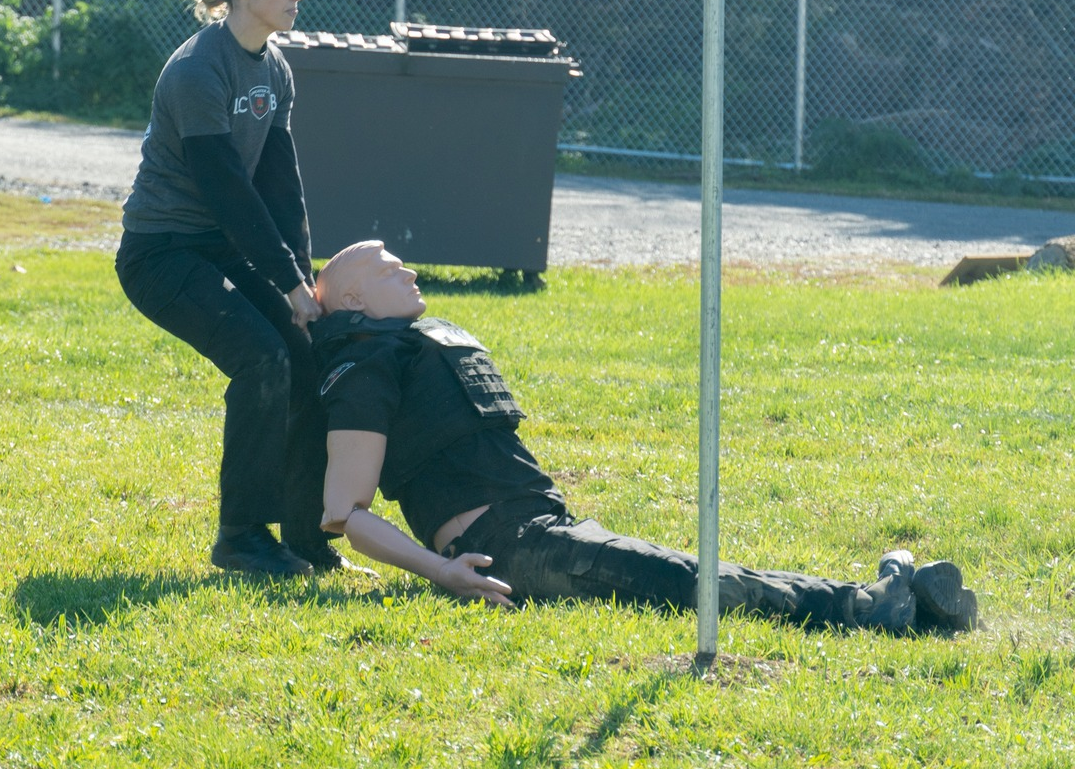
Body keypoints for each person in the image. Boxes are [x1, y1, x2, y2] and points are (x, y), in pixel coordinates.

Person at [310, 239, 980, 633]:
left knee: (689, 572)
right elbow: (346, 512)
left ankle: (907, 606)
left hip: (542, 529)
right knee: (693, 579)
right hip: (505, 550)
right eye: (388, 269)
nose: (409, 270)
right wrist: (443, 572)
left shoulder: (409, 347)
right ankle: (874, 605)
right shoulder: (362, 368)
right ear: (355, 302)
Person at [117, 0, 342, 577]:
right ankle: (241, 536)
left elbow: (279, 187)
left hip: (221, 247)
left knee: (308, 362)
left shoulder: (274, 67)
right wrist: (286, 286)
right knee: (263, 357)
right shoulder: (197, 70)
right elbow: (228, 195)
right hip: (163, 254)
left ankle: (304, 540)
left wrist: (304, 281)